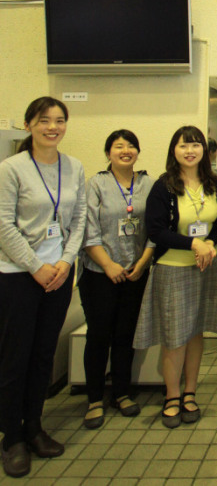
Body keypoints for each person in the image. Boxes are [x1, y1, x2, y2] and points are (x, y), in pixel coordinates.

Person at [0, 97, 86, 478]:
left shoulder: (74, 167)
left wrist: (65, 262)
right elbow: (3, 225)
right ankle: (11, 438)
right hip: (19, 275)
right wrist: (36, 267)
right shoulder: (11, 169)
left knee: (43, 354)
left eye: (59, 120)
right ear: (29, 124)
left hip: (60, 274)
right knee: (14, 357)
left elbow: (79, 219)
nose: (53, 127)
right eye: (44, 120)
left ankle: (34, 427)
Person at [133, 126, 217, 429]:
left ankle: (190, 392)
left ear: (204, 149)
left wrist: (211, 246)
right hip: (174, 268)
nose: (189, 151)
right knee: (175, 338)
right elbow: (156, 230)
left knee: (195, 332)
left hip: (207, 265)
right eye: (183, 146)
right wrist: (193, 244)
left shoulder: (215, 183)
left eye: (195, 145)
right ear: (173, 151)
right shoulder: (164, 186)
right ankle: (172, 396)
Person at [79, 129, 155, 429]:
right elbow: (87, 230)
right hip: (99, 273)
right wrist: (108, 264)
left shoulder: (148, 184)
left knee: (126, 335)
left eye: (131, 146)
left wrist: (143, 261)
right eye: (118, 146)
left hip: (136, 270)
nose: (126, 151)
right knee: (99, 335)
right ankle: (95, 399)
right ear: (108, 152)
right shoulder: (96, 184)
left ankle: (122, 393)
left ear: (138, 151)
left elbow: (156, 225)